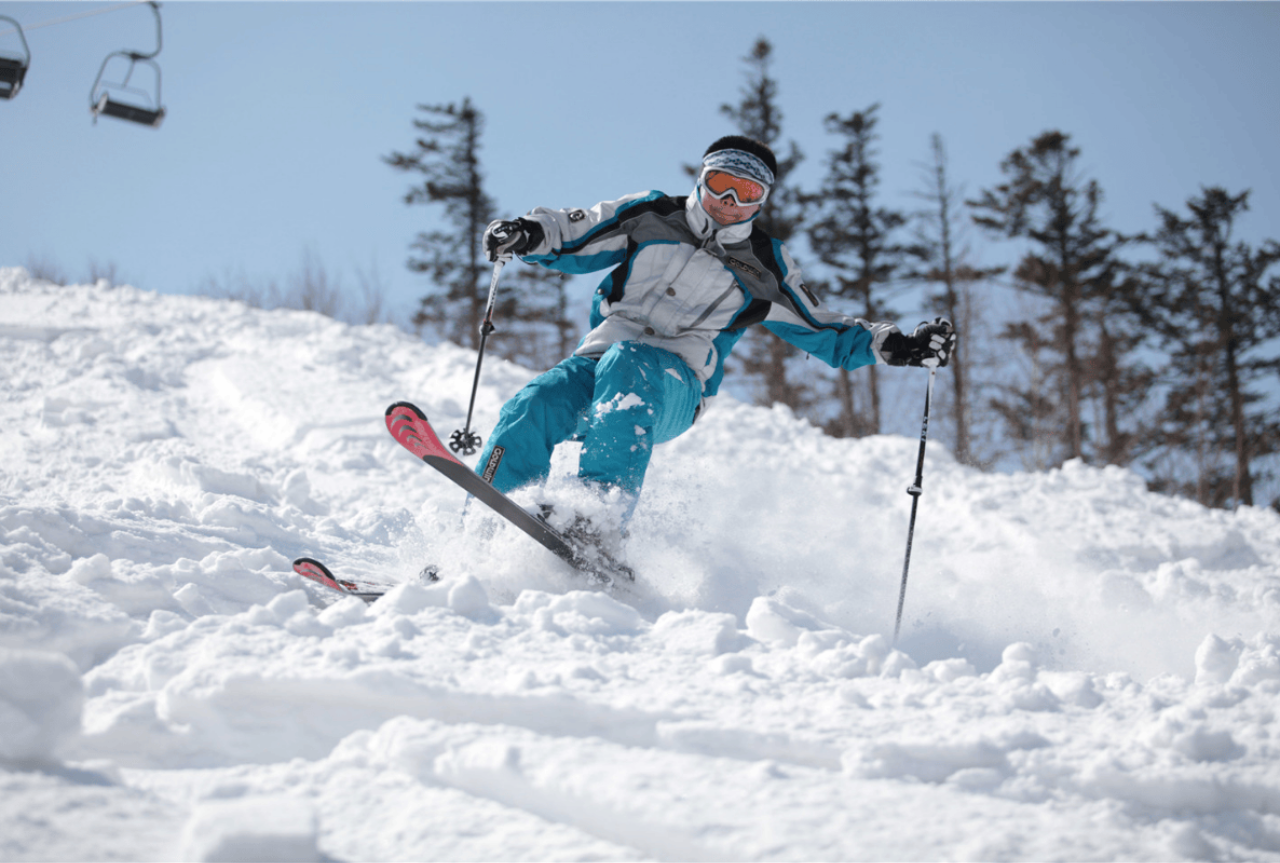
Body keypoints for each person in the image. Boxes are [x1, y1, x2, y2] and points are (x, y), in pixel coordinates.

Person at [476, 135, 955, 549]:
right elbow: (575, 232)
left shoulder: (765, 264)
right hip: (598, 364)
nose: (728, 200)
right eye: (720, 183)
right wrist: (528, 233)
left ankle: (595, 523)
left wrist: (898, 345)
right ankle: (482, 536)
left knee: (631, 361)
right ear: (701, 180)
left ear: (760, 202)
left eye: (745, 191)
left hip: (674, 388)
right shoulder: (649, 216)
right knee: (533, 404)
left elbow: (822, 327)